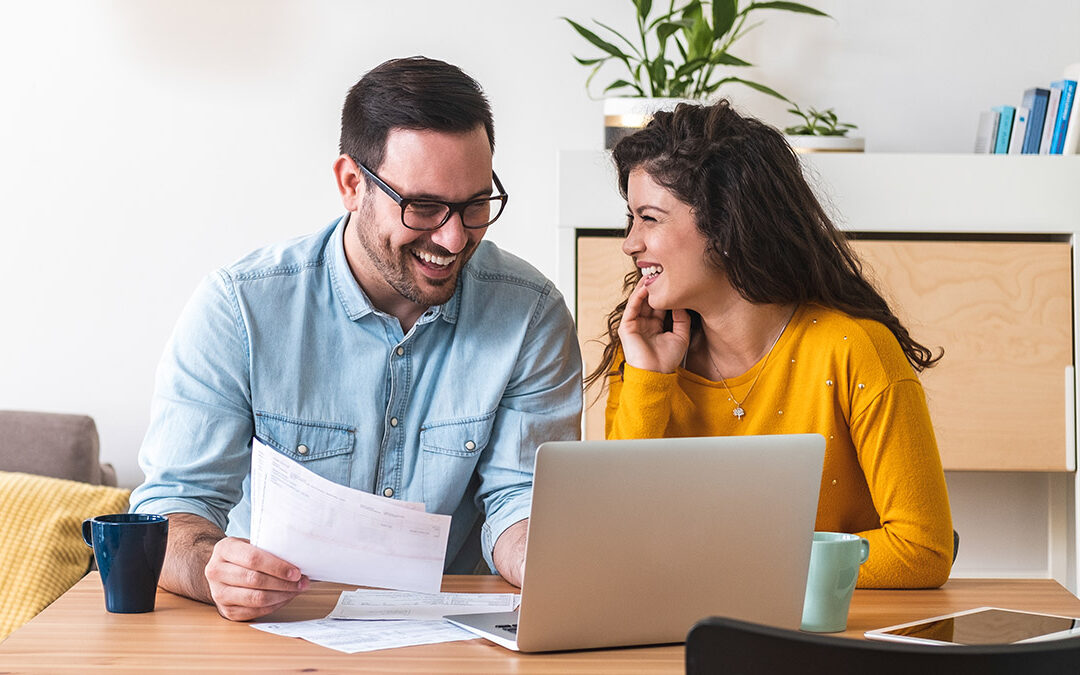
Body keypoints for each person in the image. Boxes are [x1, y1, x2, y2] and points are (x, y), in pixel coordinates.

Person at [130, 56, 583, 620]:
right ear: (351, 183)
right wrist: (215, 569)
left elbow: (520, 499)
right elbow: (173, 510)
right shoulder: (239, 308)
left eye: (474, 206)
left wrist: (550, 560)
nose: (452, 237)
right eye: (423, 207)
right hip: (272, 631)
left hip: (449, 637)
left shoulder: (531, 313)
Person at [590, 100, 953, 589]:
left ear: (724, 225)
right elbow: (614, 543)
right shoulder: (641, 356)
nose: (629, 243)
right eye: (630, 219)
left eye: (649, 218)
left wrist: (741, 564)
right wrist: (650, 382)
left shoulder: (854, 348)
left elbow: (922, 549)